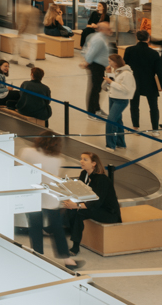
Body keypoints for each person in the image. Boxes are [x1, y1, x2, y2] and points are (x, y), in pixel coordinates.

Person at [19, 131, 85, 271]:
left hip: (33, 196)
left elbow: (20, 170)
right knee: (57, 229)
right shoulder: (59, 160)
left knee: (34, 228)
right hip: (50, 198)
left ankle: (38, 257)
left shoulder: (27, 152)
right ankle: (68, 260)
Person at [63, 151, 122, 254]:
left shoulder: (102, 180)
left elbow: (97, 203)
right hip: (95, 208)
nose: (81, 161)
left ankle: (75, 246)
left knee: (80, 212)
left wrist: (77, 205)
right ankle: (65, 231)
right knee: (71, 210)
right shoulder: (84, 174)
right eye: (81, 159)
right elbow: (79, 193)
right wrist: (72, 202)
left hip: (109, 213)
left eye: (85, 160)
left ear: (94, 163)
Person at [124, 29, 162, 131]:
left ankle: (135, 127)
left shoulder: (129, 50)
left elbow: (125, 66)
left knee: (134, 105)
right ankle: (155, 129)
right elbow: (159, 71)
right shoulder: (154, 53)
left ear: (137, 38)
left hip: (134, 81)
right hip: (150, 82)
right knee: (153, 107)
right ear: (148, 38)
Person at [81, 22, 113, 117]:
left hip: (100, 66)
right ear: (102, 29)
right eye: (108, 29)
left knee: (97, 89)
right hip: (96, 66)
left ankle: (97, 109)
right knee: (95, 89)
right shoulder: (98, 39)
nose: (110, 31)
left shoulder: (102, 38)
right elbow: (92, 53)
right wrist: (86, 62)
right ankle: (91, 112)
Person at [105, 54, 134, 150]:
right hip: (112, 97)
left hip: (120, 100)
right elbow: (112, 83)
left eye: (110, 61)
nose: (109, 63)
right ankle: (120, 143)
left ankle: (110, 145)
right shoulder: (116, 71)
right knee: (117, 121)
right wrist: (109, 73)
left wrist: (111, 82)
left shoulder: (127, 74)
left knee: (110, 121)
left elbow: (126, 89)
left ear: (115, 62)